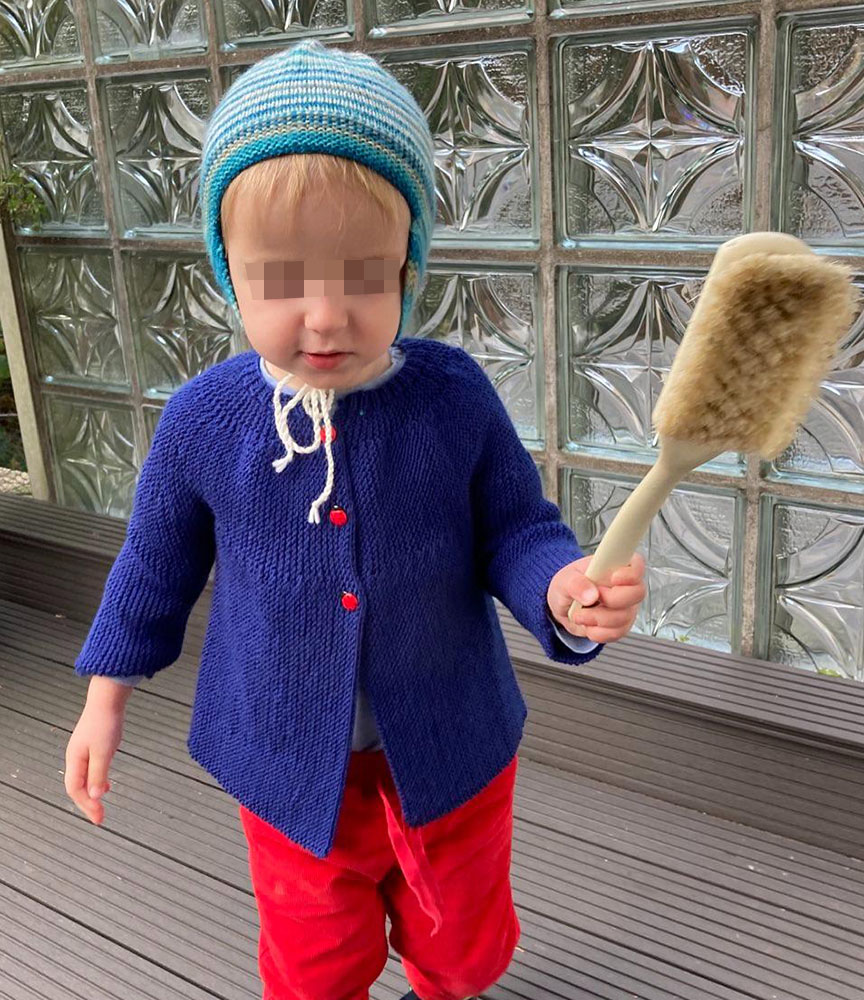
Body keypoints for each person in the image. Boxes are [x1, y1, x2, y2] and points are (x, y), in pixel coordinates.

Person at [64, 39, 646, 1000]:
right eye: (282, 280)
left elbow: (515, 527)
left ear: (411, 266)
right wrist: (104, 700)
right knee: (314, 964)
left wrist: (561, 586)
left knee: (462, 948)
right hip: (290, 769)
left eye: (364, 275)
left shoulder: (451, 396)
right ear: (226, 271)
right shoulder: (205, 420)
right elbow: (151, 568)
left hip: (453, 751)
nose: (327, 316)